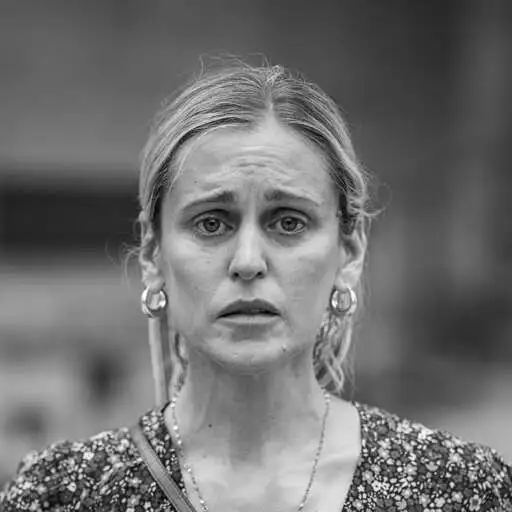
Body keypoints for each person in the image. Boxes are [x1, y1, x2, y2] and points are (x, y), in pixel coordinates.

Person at [1, 60, 511, 512]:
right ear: (154, 255)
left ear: (349, 253)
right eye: (211, 223)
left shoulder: (460, 490)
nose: (247, 262)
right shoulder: (60, 495)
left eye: (288, 222)